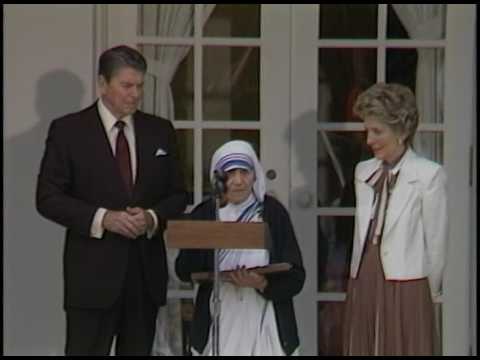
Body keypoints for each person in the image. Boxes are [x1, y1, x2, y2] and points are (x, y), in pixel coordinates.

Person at [36, 45, 187, 355]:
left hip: (145, 277)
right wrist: (104, 218)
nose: (135, 94)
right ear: (102, 84)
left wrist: (151, 218)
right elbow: (48, 197)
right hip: (91, 279)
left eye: (140, 85)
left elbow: (177, 194)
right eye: (126, 85)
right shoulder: (68, 131)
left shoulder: (160, 131)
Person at [342, 83, 448, 355]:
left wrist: (427, 291)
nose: (369, 140)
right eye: (367, 130)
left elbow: (436, 243)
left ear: (401, 132)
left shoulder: (428, 175)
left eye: (377, 131)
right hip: (365, 274)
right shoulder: (363, 171)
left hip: (407, 280)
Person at [175, 140, 305, 356]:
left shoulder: (273, 213)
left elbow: (296, 276)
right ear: (218, 178)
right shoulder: (206, 213)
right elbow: (184, 270)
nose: (238, 181)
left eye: (244, 172)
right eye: (230, 173)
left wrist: (262, 283)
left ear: (255, 175)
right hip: (220, 311)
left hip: (264, 313)